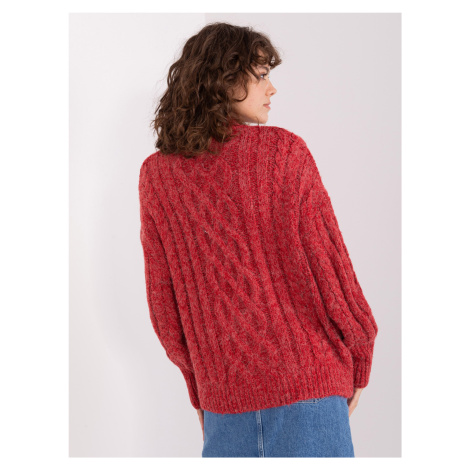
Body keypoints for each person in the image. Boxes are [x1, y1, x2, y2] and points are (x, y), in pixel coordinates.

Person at [139, 22, 378, 458]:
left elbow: (164, 309)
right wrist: (361, 351)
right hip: (309, 390)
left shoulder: (156, 176)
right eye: (262, 75)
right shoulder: (284, 153)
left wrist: (200, 387)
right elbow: (332, 270)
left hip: (222, 404)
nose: (272, 88)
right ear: (225, 79)